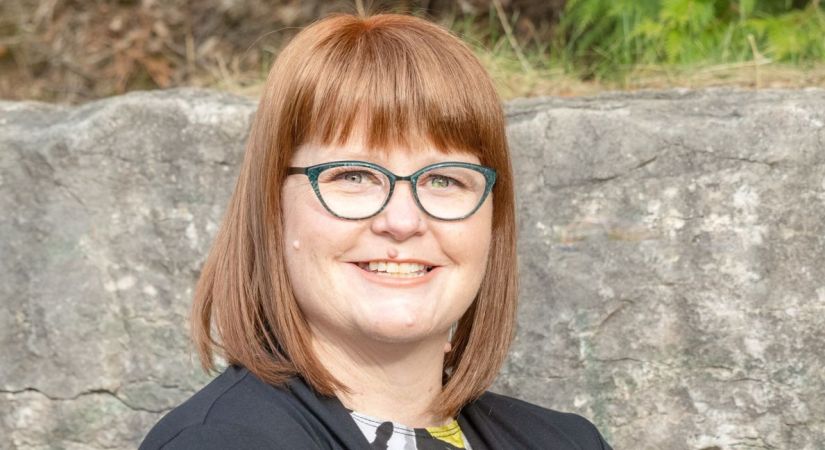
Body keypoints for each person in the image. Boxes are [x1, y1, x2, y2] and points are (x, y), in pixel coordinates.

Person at [140, 11, 612, 450]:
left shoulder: (566, 441)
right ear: (272, 209)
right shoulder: (221, 441)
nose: (403, 221)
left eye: (444, 179)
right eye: (353, 176)